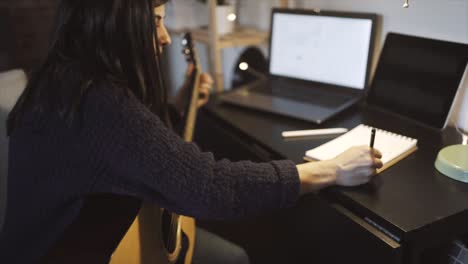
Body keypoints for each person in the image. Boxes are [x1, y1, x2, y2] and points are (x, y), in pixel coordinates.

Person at [0, 0, 383, 263]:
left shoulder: (63, 77)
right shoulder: (98, 103)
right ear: (116, 23)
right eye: (155, 22)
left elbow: (120, 149)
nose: (165, 37)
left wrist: (180, 105)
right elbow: (212, 186)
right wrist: (331, 169)